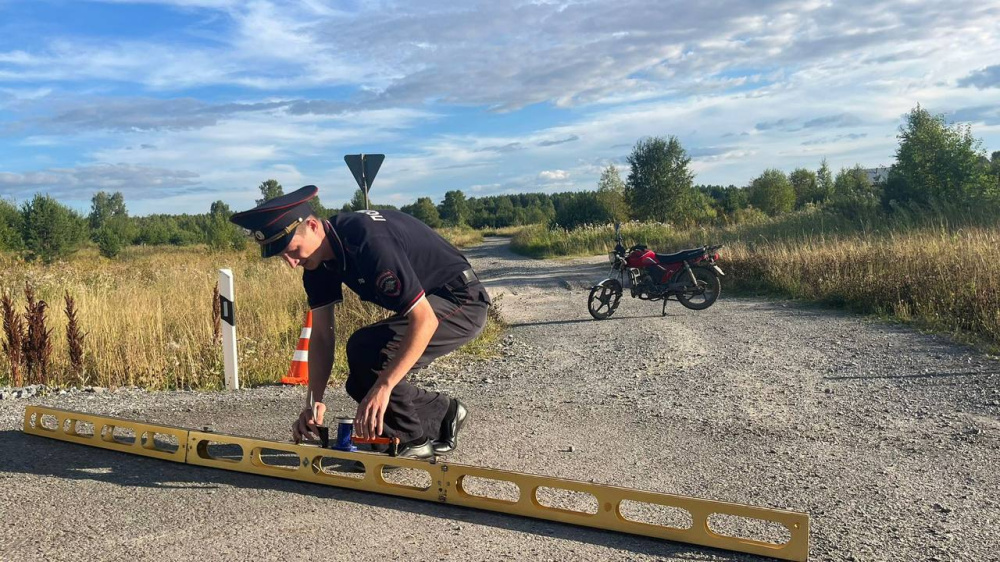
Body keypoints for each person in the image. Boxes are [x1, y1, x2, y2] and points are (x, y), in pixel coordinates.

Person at [230, 185, 489, 459]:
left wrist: (385, 387)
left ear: (314, 226)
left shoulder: (368, 241)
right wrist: (314, 401)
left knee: (370, 352)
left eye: (293, 251)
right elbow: (321, 336)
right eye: (284, 257)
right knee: (359, 382)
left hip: (462, 301)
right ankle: (442, 412)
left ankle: (414, 443)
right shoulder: (317, 262)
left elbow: (424, 321)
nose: (292, 263)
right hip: (434, 303)